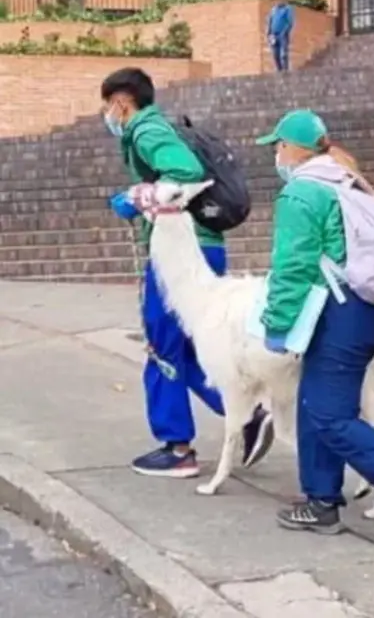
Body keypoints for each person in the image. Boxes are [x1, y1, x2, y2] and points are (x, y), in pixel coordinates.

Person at [256, 109, 374, 533]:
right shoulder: (346, 182)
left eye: (278, 145)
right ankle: (321, 500)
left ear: (293, 149)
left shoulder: (303, 194)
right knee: (314, 404)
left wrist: (276, 325)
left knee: (329, 413)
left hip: (341, 311)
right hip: (368, 309)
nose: (275, 154)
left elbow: (292, 267)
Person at [102, 67, 275, 479]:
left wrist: (139, 196)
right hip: (204, 247)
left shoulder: (146, 132)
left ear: (121, 103)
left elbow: (185, 174)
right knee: (195, 349)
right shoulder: (159, 127)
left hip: (180, 256)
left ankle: (177, 447)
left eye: (108, 107)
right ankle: (247, 413)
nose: (108, 116)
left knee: (162, 348)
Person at [267, 0, 295, 72]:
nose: (278, 1)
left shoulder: (287, 9)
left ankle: (285, 70)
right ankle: (279, 70)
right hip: (274, 35)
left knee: (283, 54)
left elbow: (290, 22)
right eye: (277, 0)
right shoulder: (273, 10)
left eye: (280, 0)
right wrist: (269, 33)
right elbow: (270, 21)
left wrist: (284, 32)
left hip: (282, 35)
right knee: (275, 54)